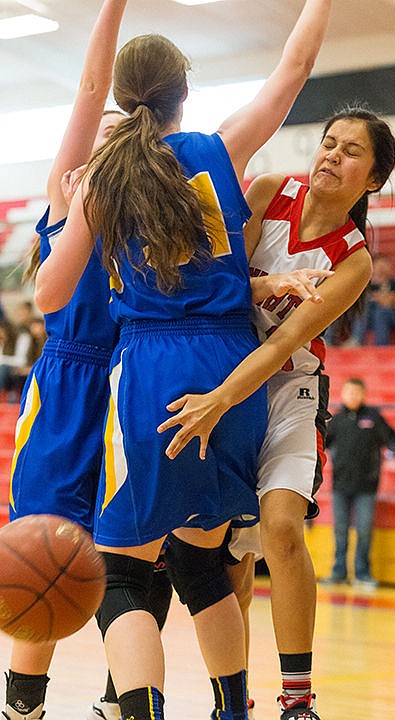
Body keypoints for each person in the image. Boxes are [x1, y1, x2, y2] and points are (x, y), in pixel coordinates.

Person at [33, 3, 333, 720]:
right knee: (203, 564)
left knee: (120, 577)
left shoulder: (104, 180)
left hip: (151, 372)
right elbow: (294, 68)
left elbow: (49, 294)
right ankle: (234, 711)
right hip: (236, 371)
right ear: (183, 93)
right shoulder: (220, 149)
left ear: (126, 98)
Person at [158, 105, 395, 720]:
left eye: (350, 152)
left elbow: (282, 344)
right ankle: (230, 702)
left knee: (282, 530)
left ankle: (298, 702)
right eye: (328, 142)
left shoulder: (354, 260)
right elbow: (217, 286)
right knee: (232, 555)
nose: (332, 156)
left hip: (289, 389)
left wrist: (219, 400)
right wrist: (216, 389)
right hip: (226, 373)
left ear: (373, 179)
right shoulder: (267, 191)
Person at [3, 3, 130, 720]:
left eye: (123, 131)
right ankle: (23, 708)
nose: (109, 133)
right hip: (67, 380)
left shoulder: (147, 212)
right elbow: (90, 91)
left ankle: (120, 700)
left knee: (127, 557)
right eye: (102, 131)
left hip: (129, 381)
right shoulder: (68, 194)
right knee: (40, 553)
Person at [321, 377, 395, 587]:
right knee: (340, 531)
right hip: (340, 485)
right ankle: (339, 571)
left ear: (363, 395)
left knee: (364, 530)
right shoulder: (337, 421)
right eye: (348, 393)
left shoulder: (374, 419)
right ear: (342, 395)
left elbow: (392, 441)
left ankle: (363, 573)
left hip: (366, 487)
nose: (352, 396)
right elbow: (321, 445)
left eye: (356, 393)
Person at [346, 253, 395, 345]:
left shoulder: (394, 283)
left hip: (387, 316)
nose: (381, 268)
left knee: (380, 310)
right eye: (378, 265)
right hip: (367, 317)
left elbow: (391, 301)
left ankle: (373, 343)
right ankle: (355, 339)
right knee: (365, 305)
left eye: (384, 264)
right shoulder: (366, 285)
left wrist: (377, 298)